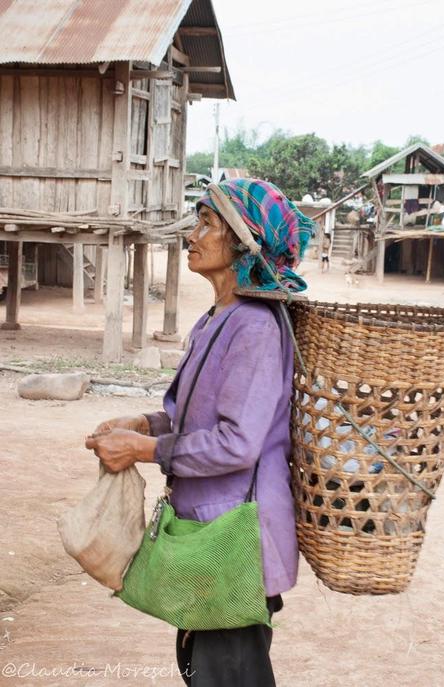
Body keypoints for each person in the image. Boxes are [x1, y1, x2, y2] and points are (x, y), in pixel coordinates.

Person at [85, 179, 315, 687]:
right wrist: (144, 424)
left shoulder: (254, 325)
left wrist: (145, 449)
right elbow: (198, 419)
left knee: (226, 676)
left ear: (244, 244)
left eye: (207, 223)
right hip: (208, 535)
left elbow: (237, 442)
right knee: (207, 670)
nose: (192, 235)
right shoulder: (217, 318)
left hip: (236, 539)